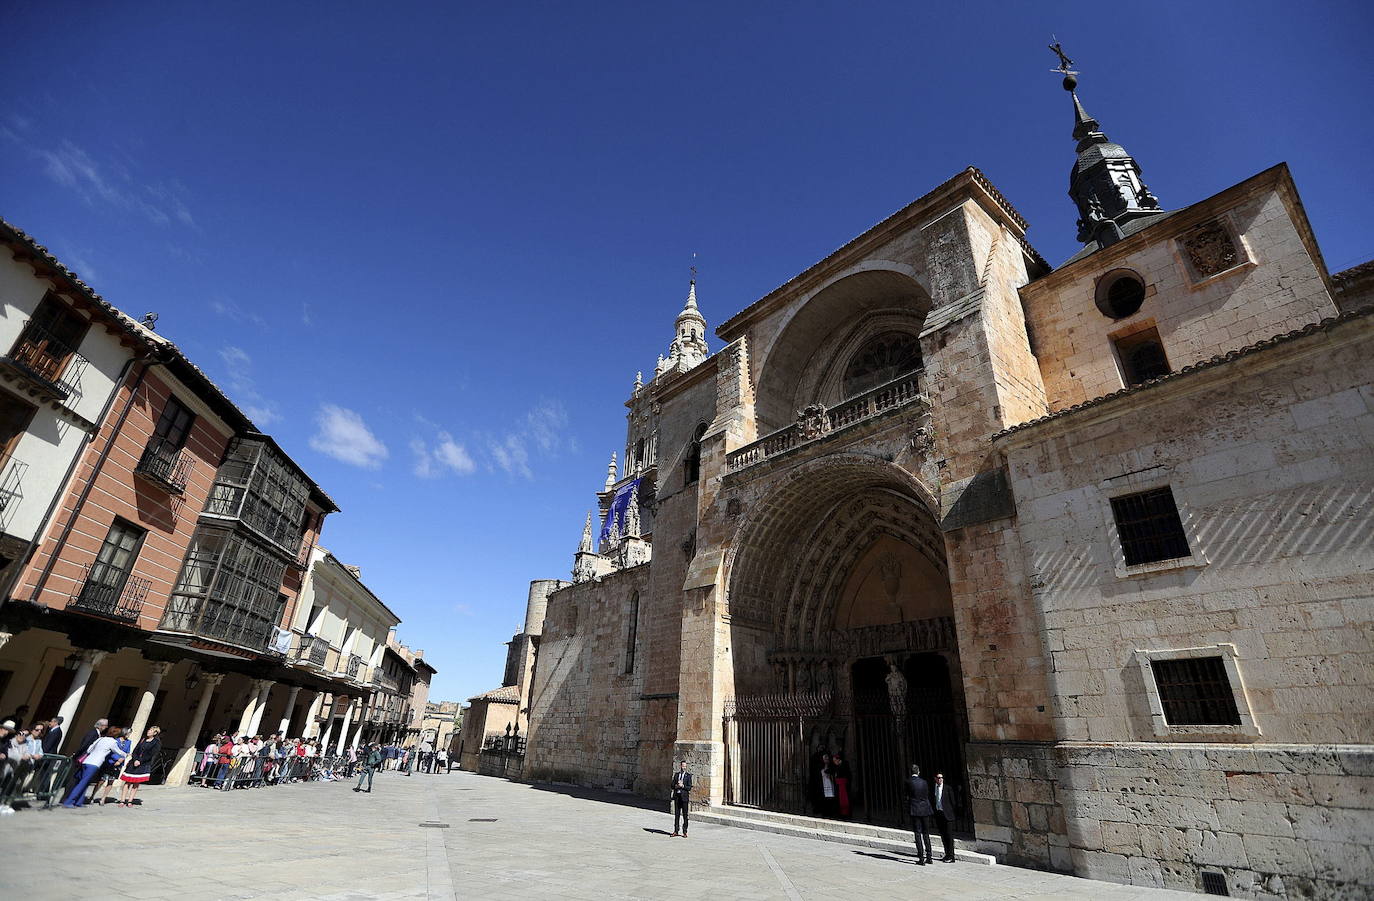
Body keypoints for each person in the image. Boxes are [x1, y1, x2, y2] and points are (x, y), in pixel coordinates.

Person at [62, 727, 126, 808]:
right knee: (83, 783)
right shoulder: (112, 742)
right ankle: (69, 801)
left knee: (85, 782)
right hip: (94, 764)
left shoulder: (100, 739)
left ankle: (79, 802)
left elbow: (89, 749)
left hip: (86, 761)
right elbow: (118, 751)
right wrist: (125, 754)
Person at [115, 726, 161, 807]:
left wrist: (140, 761)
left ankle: (130, 801)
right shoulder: (143, 739)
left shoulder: (156, 742)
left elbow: (151, 754)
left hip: (143, 764)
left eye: (151, 730)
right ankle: (122, 800)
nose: (148, 731)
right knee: (127, 782)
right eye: (149, 729)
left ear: (155, 733)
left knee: (136, 783)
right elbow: (135, 750)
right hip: (133, 763)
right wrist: (135, 759)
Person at [91, 726, 133, 806]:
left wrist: (121, 759)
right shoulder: (115, 740)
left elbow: (127, 752)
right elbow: (111, 751)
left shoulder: (129, 742)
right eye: (128, 733)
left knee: (111, 781)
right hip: (110, 762)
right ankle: (92, 796)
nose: (129, 735)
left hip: (119, 764)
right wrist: (116, 759)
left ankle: (103, 798)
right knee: (101, 780)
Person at [906, 764, 935, 865]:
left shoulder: (908, 782)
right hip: (925, 809)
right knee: (926, 833)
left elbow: (907, 795)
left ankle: (921, 857)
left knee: (918, 834)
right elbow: (927, 794)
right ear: (918, 772)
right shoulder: (924, 782)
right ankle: (929, 856)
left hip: (915, 810)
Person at [932, 772, 957, 862]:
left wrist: (950, 811)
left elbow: (953, 802)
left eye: (941, 777)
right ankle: (947, 854)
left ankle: (951, 856)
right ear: (935, 778)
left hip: (947, 815)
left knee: (949, 836)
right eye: (938, 778)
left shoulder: (947, 788)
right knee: (943, 835)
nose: (940, 779)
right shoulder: (934, 788)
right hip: (939, 814)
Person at [669, 759, 693, 837]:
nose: (684, 767)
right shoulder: (676, 775)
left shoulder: (688, 776)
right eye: (682, 766)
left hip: (684, 798)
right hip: (677, 797)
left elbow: (689, 787)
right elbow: (672, 785)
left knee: (685, 815)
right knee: (677, 815)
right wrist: (677, 785)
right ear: (680, 766)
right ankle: (676, 830)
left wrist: (683, 786)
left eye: (685, 766)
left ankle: (685, 831)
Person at [829, 752, 852, 819]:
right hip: (838, 785)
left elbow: (847, 775)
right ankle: (840, 814)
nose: (834, 762)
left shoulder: (845, 764)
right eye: (833, 761)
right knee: (838, 800)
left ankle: (846, 814)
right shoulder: (836, 766)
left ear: (838, 760)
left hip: (844, 785)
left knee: (845, 800)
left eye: (835, 761)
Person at [817, 753, 837, 818]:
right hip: (823, 784)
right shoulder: (820, 766)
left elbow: (834, 773)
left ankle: (831, 812)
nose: (826, 760)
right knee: (824, 799)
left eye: (827, 759)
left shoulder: (831, 766)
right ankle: (825, 812)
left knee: (831, 798)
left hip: (830, 784)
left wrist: (831, 776)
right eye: (825, 759)